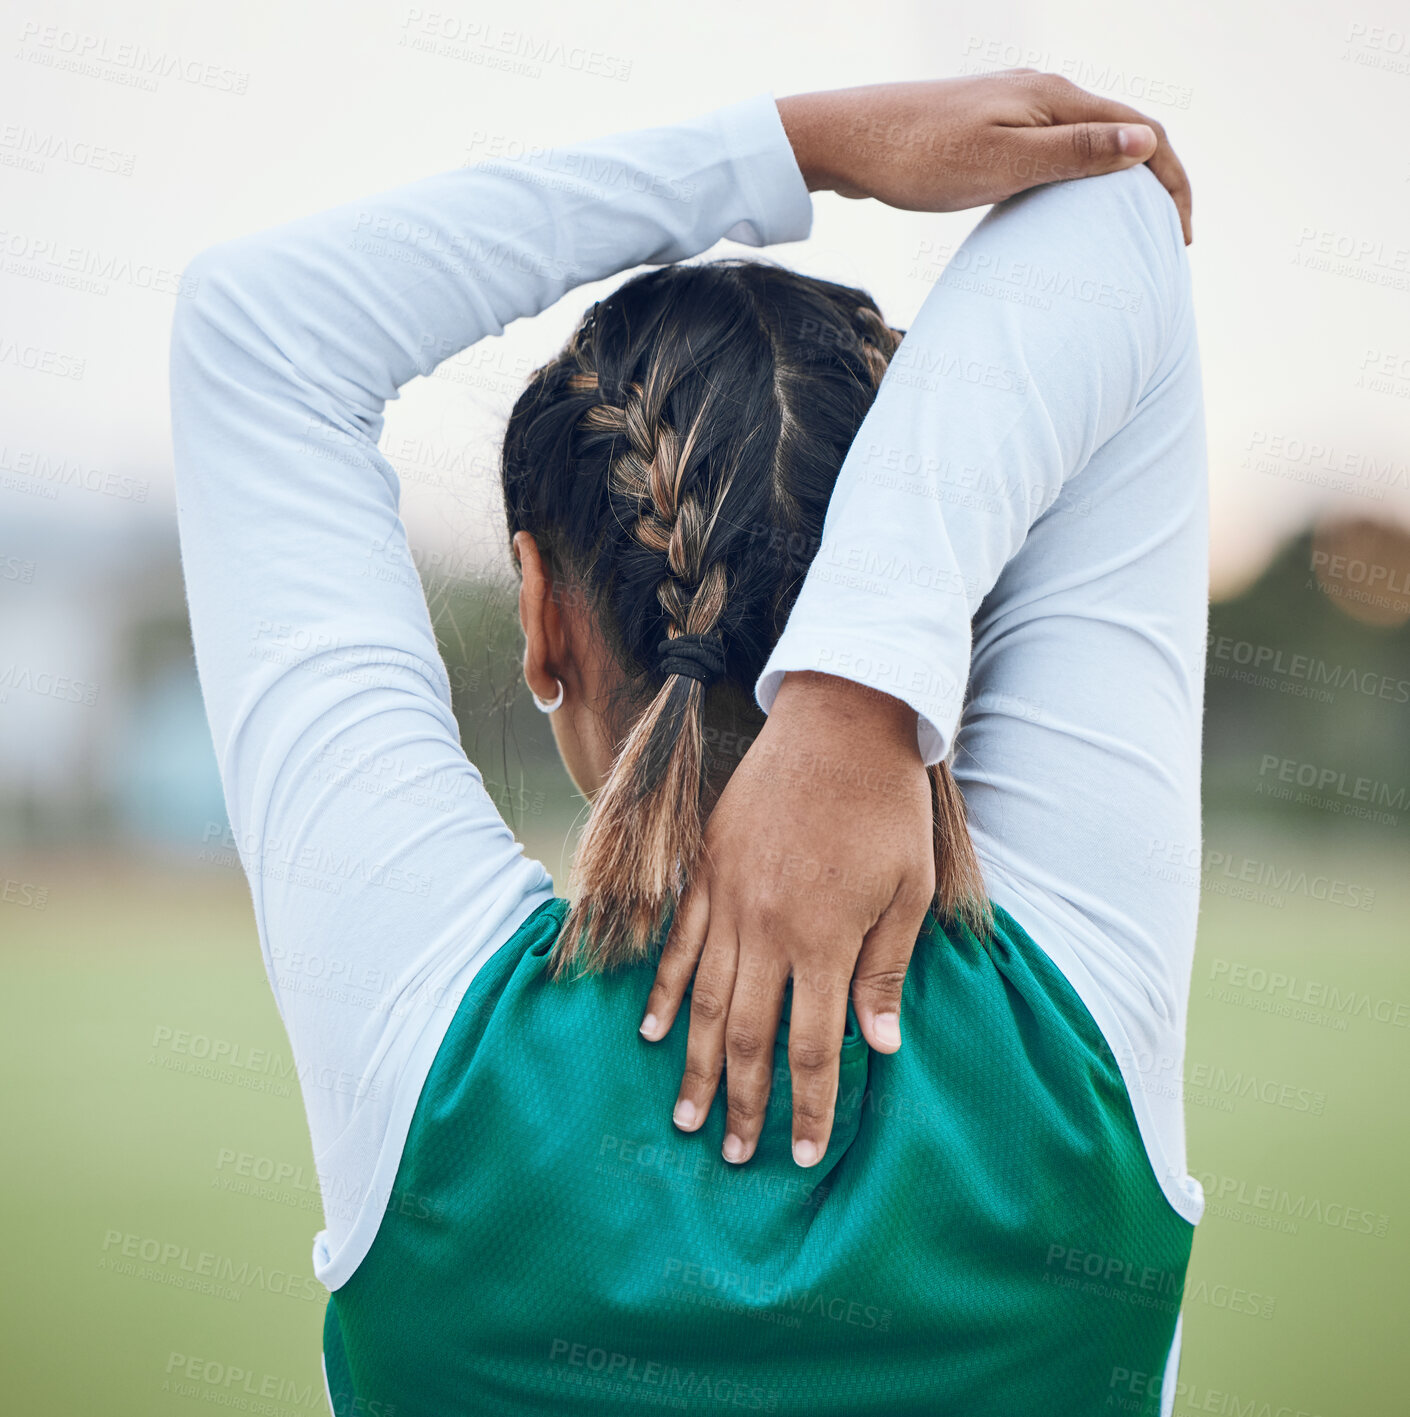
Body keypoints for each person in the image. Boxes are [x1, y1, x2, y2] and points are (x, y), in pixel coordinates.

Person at [170, 74, 1206, 1417]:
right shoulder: (1078, 1033)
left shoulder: (427, 1053)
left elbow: (257, 329)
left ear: (542, 615)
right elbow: (1114, 213)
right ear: (959, 574)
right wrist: (860, 681)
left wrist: (802, 146)